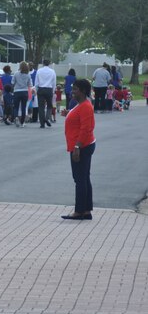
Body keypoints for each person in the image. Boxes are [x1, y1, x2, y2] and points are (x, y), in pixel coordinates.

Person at [62, 78, 96, 220]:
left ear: (82, 91)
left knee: (79, 179)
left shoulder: (86, 106)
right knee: (84, 178)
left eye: (75, 89)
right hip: (81, 145)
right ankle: (86, 210)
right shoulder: (81, 104)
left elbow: (86, 128)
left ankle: (79, 211)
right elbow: (80, 119)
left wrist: (77, 146)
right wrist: (68, 113)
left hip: (82, 146)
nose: (72, 91)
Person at [34, 59, 57, 128]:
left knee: (41, 107)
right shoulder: (52, 71)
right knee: (49, 105)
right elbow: (54, 82)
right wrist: (53, 91)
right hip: (49, 89)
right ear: (49, 63)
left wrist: (36, 89)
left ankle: (42, 123)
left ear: (43, 63)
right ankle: (47, 118)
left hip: (41, 89)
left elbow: (36, 82)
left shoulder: (39, 71)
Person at [11, 61, 33, 127]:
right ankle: (22, 122)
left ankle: (16, 117)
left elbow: (12, 82)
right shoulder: (28, 74)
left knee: (16, 107)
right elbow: (30, 84)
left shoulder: (16, 73)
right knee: (24, 107)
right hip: (25, 91)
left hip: (17, 91)